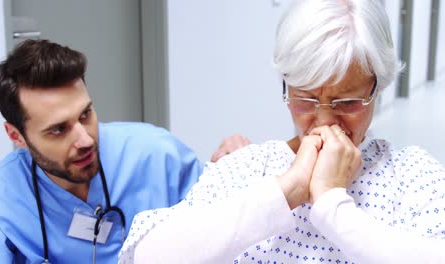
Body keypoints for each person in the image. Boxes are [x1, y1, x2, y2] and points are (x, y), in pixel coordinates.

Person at [118, 0, 445, 263]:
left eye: (347, 102)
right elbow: (144, 256)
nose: (325, 122)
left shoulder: (410, 175)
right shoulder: (248, 167)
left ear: (378, 88)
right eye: (306, 99)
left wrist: (332, 204)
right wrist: (287, 189)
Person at [0, 39, 246, 263]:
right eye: (59, 129)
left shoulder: (157, 155)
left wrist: (233, 170)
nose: (85, 140)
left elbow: (224, 229)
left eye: (85, 115)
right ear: (16, 136)